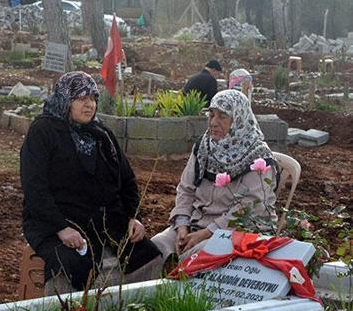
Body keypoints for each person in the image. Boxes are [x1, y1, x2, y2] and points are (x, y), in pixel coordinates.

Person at [20, 72, 161, 295]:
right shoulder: (44, 132)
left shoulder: (101, 134)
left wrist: (134, 217)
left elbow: (126, 180)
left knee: (146, 255)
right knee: (68, 265)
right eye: (81, 99)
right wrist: (60, 227)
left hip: (105, 220)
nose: (89, 105)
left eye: (93, 99)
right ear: (66, 100)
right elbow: (35, 187)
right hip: (59, 221)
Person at [151, 90, 278, 261]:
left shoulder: (258, 156)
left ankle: (177, 285)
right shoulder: (204, 147)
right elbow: (186, 189)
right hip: (194, 225)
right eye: (211, 115)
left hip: (235, 231)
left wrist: (207, 233)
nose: (213, 123)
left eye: (222, 117)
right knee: (156, 247)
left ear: (238, 119)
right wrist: (182, 225)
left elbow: (250, 207)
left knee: (197, 256)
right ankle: (144, 288)